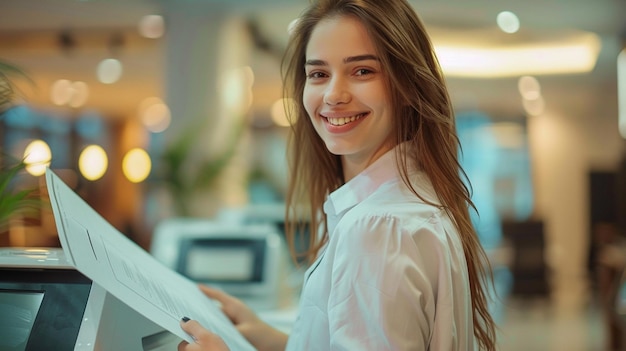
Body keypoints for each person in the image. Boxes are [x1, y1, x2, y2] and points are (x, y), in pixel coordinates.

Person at [179, 0, 497, 349]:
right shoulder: (415, 201)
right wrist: (277, 340)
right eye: (318, 74)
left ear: (407, 86)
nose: (333, 95)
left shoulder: (377, 227)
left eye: (362, 71)